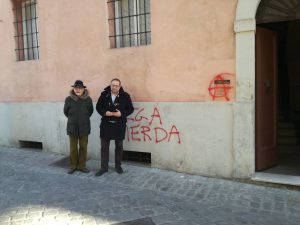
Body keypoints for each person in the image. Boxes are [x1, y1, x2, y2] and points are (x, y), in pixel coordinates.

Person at [95, 78, 134, 176]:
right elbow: (98, 107)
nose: (114, 87)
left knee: (119, 146)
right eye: (113, 85)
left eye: (116, 85)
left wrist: (121, 114)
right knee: (104, 147)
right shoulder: (104, 95)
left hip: (119, 125)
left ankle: (118, 166)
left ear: (120, 86)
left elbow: (131, 109)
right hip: (106, 125)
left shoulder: (125, 96)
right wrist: (104, 113)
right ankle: (104, 168)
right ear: (110, 85)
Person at [63, 80, 94, 174]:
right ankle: (73, 166)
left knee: (83, 147)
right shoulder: (68, 99)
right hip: (72, 127)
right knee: (73, 148)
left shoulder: (88, 99)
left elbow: (90, 111)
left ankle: (82, 166)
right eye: (76, 88)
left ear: (83, 89)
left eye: (79, 88)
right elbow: (66, 112)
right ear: (73, 88)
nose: (77, 89)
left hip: (84, 127)